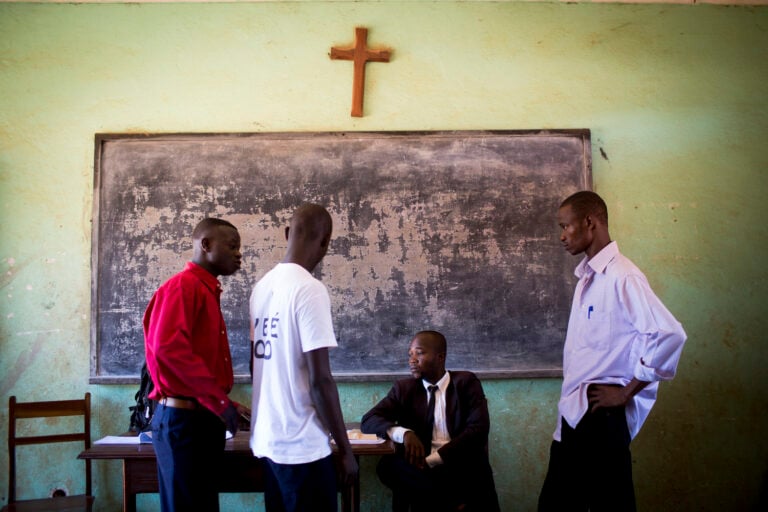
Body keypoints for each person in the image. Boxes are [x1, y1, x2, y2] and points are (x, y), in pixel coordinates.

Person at [538, 191, 687, 511]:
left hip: (601, 414)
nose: (562, 236)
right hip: (575, 410)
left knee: (610, 505)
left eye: (566, 226)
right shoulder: (587, 279)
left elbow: (670, 334)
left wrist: (626, 392)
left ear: (590, 222)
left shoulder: (623, 276)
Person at [249, 203, 358, 512]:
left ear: (286, 234)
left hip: (269, 442)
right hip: (302, 447)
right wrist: (345, 449)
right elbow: (320, 380)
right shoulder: (309, 290)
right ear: (325, 242)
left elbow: (254, 364)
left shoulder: (261, 288)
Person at [143, 217, 248, 512]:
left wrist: (227, 403)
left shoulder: (206, 290)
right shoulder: (183, 287)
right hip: (183, 424)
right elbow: (168, 348)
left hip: (200, 420)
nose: (238, 253)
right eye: (232, 246)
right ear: (206, 245)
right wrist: (218, 401)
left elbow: (196, 362)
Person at [361, 330, 501, 512]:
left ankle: (444, 503)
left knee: (473, 468)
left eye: (419, 353)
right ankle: (454, 504)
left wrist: (435, 459)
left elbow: (478, 430)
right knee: (388, 467)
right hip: (420, 466)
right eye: (410, 354)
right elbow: (369, 420)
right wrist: (404, 433)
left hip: (457, 460)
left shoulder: (466, 382)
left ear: (440, 357)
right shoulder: (404, 388)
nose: (412, 360)